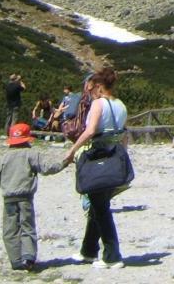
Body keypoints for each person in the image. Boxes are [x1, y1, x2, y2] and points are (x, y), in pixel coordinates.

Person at [62, 66, 128, 267]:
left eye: (91, 88)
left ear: (99, 86)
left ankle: (112, 255)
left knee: (100, 208)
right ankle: (88, 250)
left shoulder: (99, 104)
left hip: (97, 157)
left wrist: (72, 149)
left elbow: (90, 131)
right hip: (114, 156)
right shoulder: (121, 105)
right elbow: (125, 133)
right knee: (97, 204)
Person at [0, 122, 67, 271]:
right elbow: (47, 168)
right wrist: (64, 163)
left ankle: (15, 260)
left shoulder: (5, 156)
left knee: (10, 229)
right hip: (25, 197)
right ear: (28, 139)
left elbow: (0, 177)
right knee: (27, 226)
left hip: (8, 197)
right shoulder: (31, 154)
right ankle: (28, 258)